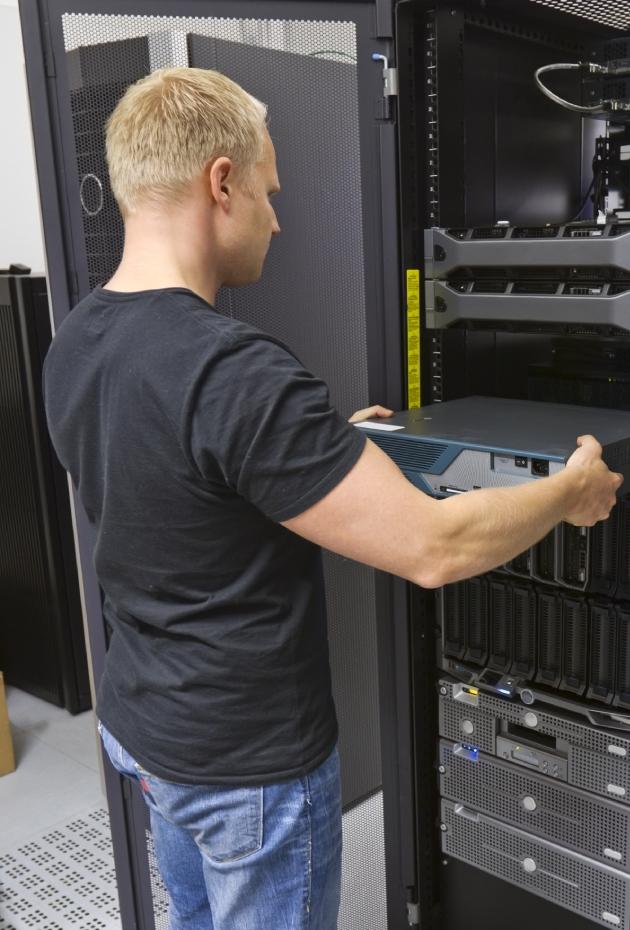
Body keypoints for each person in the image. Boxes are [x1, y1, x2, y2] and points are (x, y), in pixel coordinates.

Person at [42, 67, 621, 930]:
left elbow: (173, 482)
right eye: (269, 192)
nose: (277, 219)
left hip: (147, 728)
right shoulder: (235, 373)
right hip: (249, 764)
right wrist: (571, 489)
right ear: (221, 182)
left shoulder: (78, 337)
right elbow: (436, 549)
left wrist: (309, 452)